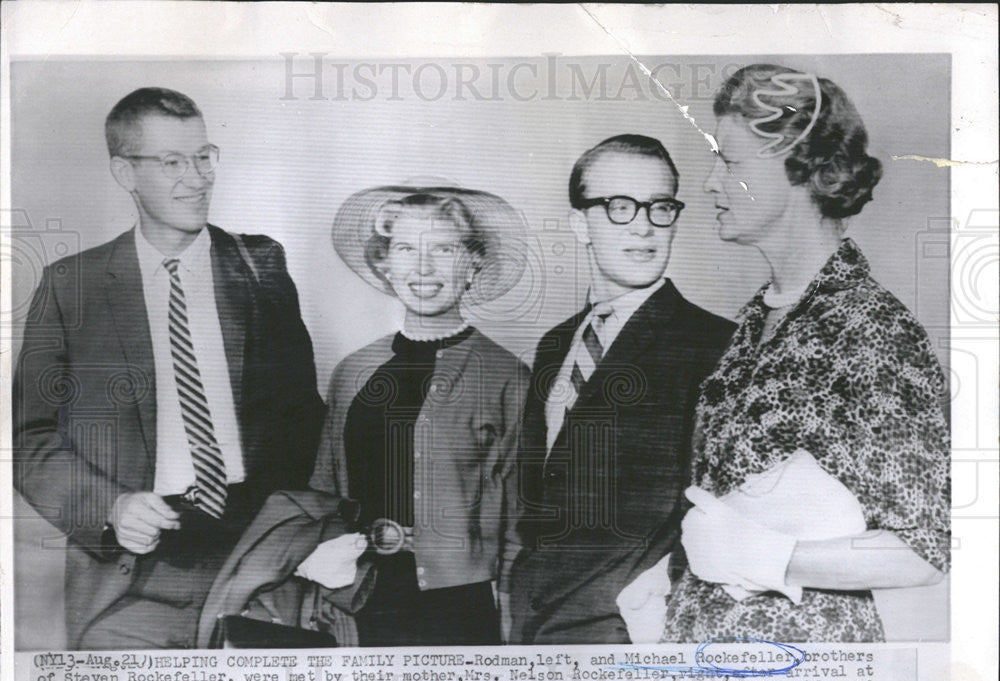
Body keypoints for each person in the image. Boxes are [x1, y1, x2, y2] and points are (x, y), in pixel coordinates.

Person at [12, 87, 324, 649]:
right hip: (131, 582)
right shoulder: (71, 286)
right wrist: (109, 507)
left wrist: (304, 534)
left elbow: (305, 416)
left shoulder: (261, 268)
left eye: (204, 157)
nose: (197, 178)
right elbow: (31, 441)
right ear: (124, 173)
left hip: (256, 567)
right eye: (172, 162)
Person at [660, 64, 949, 643]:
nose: (712, 183)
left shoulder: (873, 331)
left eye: (732, 162)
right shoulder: (756, 319)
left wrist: (770, 555)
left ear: (803, 173)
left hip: (806, 670)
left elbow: (923, 553)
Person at [508, 135, 735, 645]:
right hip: (536, 620)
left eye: (660, 207)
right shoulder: (556, 346)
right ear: (579, 223)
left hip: (633, 626)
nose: (643, 225)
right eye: (619, 207)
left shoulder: (715, 344)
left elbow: (724, 506)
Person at [293, 182, 529, 646]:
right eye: (405, 248)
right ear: (384, 264)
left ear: (473, 264)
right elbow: (322, 496)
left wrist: (511, 619)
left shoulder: (506, 376)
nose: (422, 267)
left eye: (443, 249)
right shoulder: (353, 372)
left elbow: (520, 520)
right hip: (351, 597)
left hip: (458, 609)